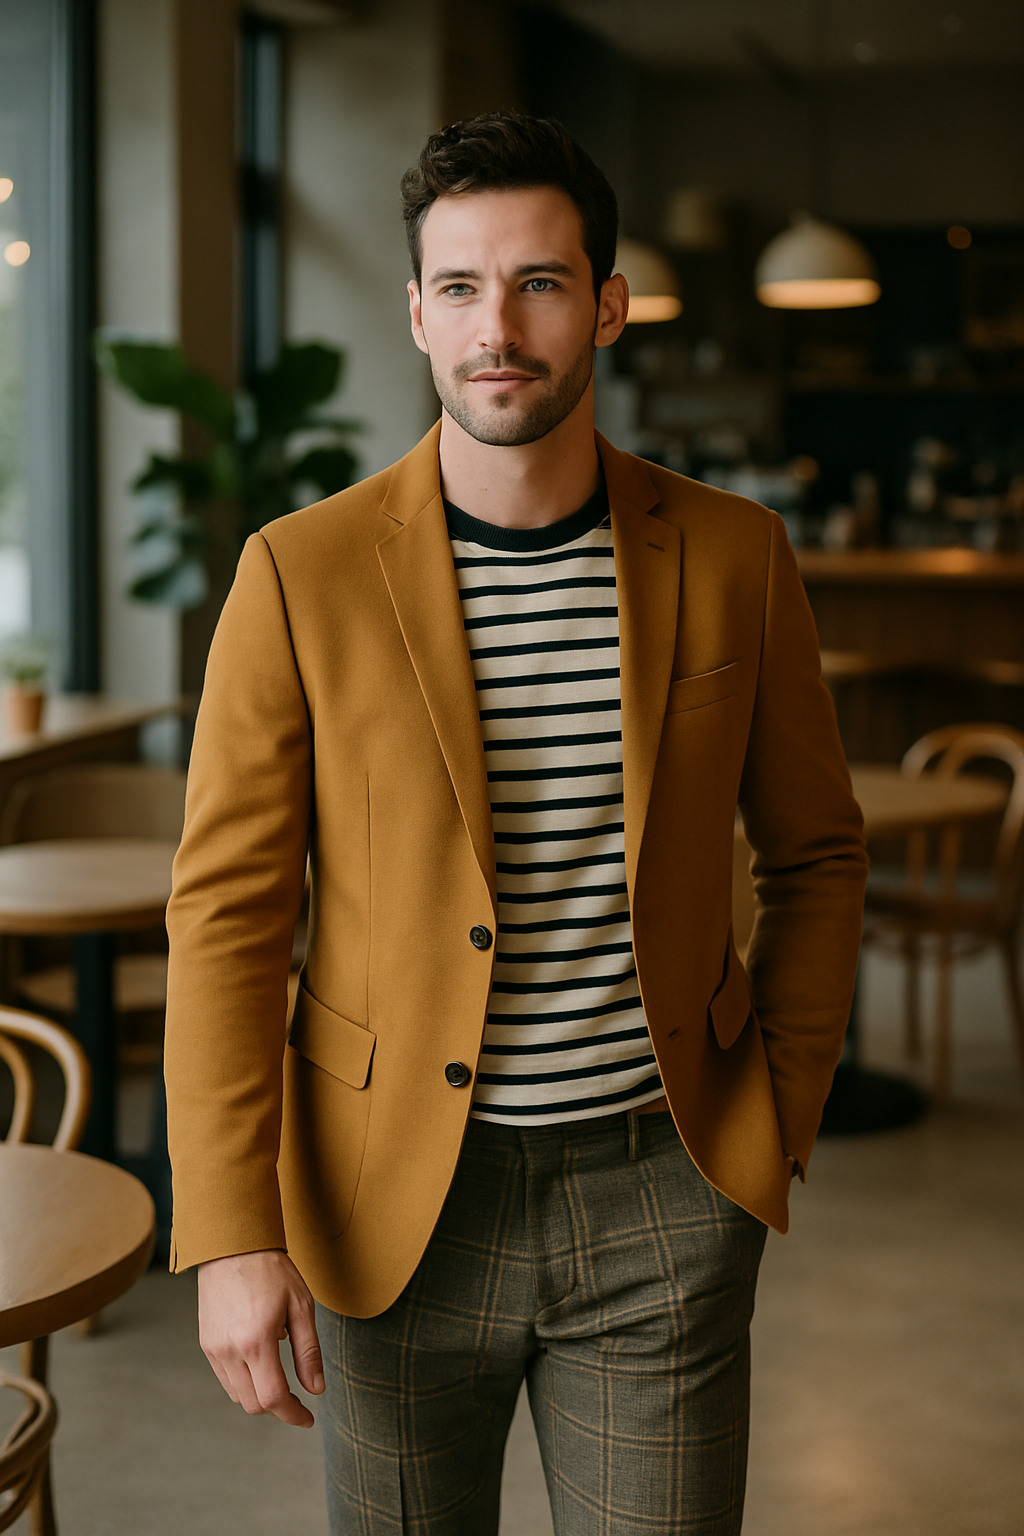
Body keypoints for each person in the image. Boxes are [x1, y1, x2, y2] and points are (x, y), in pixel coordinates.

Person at [164, 112, 868, 1535]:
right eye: (465, 288)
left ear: (604, 302)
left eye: (542, 283)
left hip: (662, 1188)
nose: (503, 326)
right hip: (392, 1207)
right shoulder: (295, 575)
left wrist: (773, 1115)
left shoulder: (735, 554)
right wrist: (233, 1230)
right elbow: (229, 917)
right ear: (417, 311)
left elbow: (817, 852)